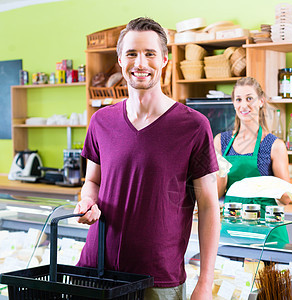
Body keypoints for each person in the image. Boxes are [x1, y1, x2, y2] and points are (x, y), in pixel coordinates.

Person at [74, 17, 220, 300]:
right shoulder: (101, 121)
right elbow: (92, 180)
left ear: (164, 59)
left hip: (157, 279)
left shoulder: (193, 125)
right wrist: (87, 201)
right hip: (96, 269)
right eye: (131, 54)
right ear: (120, 60)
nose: (140, 63)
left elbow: (209, 207)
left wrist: (205, 282)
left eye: (149, 54)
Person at [214, 77, 291, 244]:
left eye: (250, 98)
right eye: (238, 99)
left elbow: (286, 198)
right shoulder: (221, 142)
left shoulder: (274, 145)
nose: (244, 105)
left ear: (261, 101)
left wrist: (265, 185)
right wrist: (222, 174)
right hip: (231, 228)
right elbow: (217, 193)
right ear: (233, 103)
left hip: (267, 230)